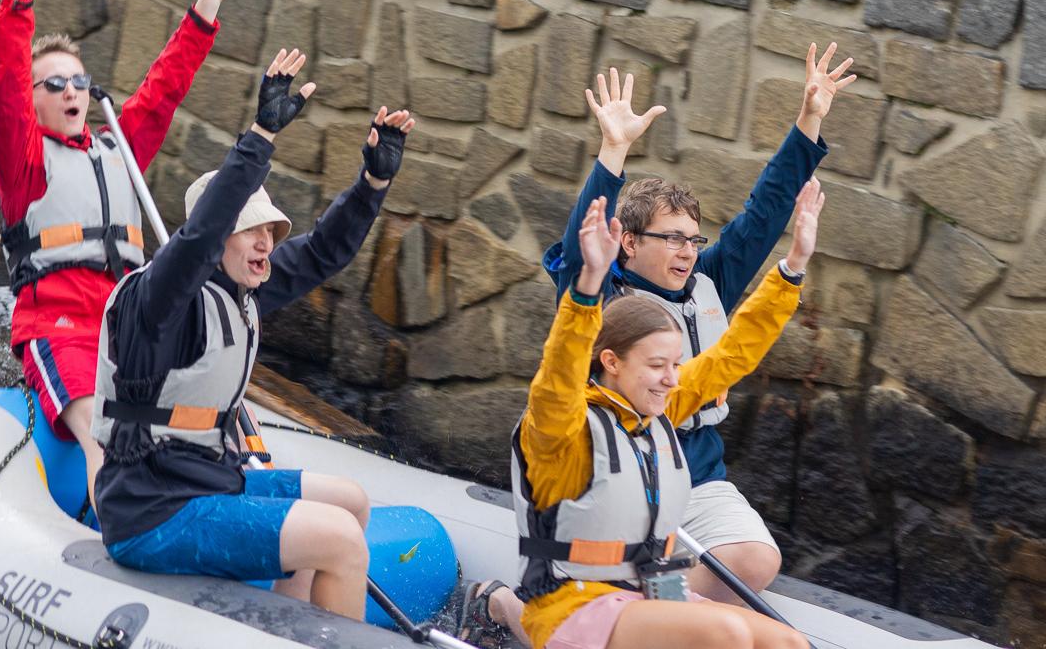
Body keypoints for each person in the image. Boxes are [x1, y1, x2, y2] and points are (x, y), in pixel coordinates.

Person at [460, 44, 854, 644]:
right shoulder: (587, 325)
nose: (687, 252)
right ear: (627, 242)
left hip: (677, 473)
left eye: (694, 240)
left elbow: (742, 314)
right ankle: (512, 608)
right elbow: (572, 315)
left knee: (771, 610)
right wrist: (612, 153)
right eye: (671, 239)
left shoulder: (697, 315)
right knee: (719, 631)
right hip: (595, 518)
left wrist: (807, 134)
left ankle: (660, 612)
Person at [90, 47, 414, 618]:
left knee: (351, 503)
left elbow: (322, 253)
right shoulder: (158, 300)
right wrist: (261, 134)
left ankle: (285, 625)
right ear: (217, 238)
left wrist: (372, 183)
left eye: (271, 230)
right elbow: (198, 237)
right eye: (251, 230)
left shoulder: (242, 290)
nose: (267, 242)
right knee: (341, 540)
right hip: (152, 510)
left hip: (209, 480)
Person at [0, 0, 242, 512]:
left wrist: (207, 5)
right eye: (54, 84)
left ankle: (219, 515)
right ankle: (120, 537)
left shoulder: (116, 150)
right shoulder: (24, 165)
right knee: (104, 437)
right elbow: (6, 90)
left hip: (131, 328)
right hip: (62, 331)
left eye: (78, 82)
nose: (71, 91)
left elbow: (163, 90)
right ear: (35, 101)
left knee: (190, 423)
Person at [511, 189, 821, 649]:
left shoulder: (660, 409)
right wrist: (589, 283)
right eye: (657, 366)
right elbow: (560, 367)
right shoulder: (560, 427)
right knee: (728, 633)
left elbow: (734, 352)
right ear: (611, 361)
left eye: (675, 365)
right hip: (575, 604)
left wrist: (793, 266)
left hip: (656, 588)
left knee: (787, 642)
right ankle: (506, 607)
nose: (672, 380)